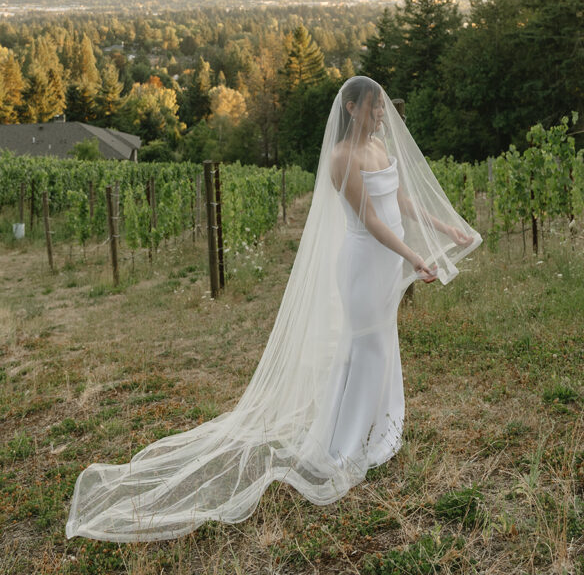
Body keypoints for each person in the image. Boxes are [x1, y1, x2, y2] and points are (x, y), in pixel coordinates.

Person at [66, 76, 481, 543]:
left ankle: (377, 431)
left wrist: (445, 228)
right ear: (351, 108)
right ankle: (343, 450)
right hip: (365, 262)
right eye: (374, 109)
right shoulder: (341, 158)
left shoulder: (382, 148)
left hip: (388, 261)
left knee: (379, 343)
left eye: (383, 109)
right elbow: (368, 220)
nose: (381, 116)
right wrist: (414, 256)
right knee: (367, 348)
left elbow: (400, 202)